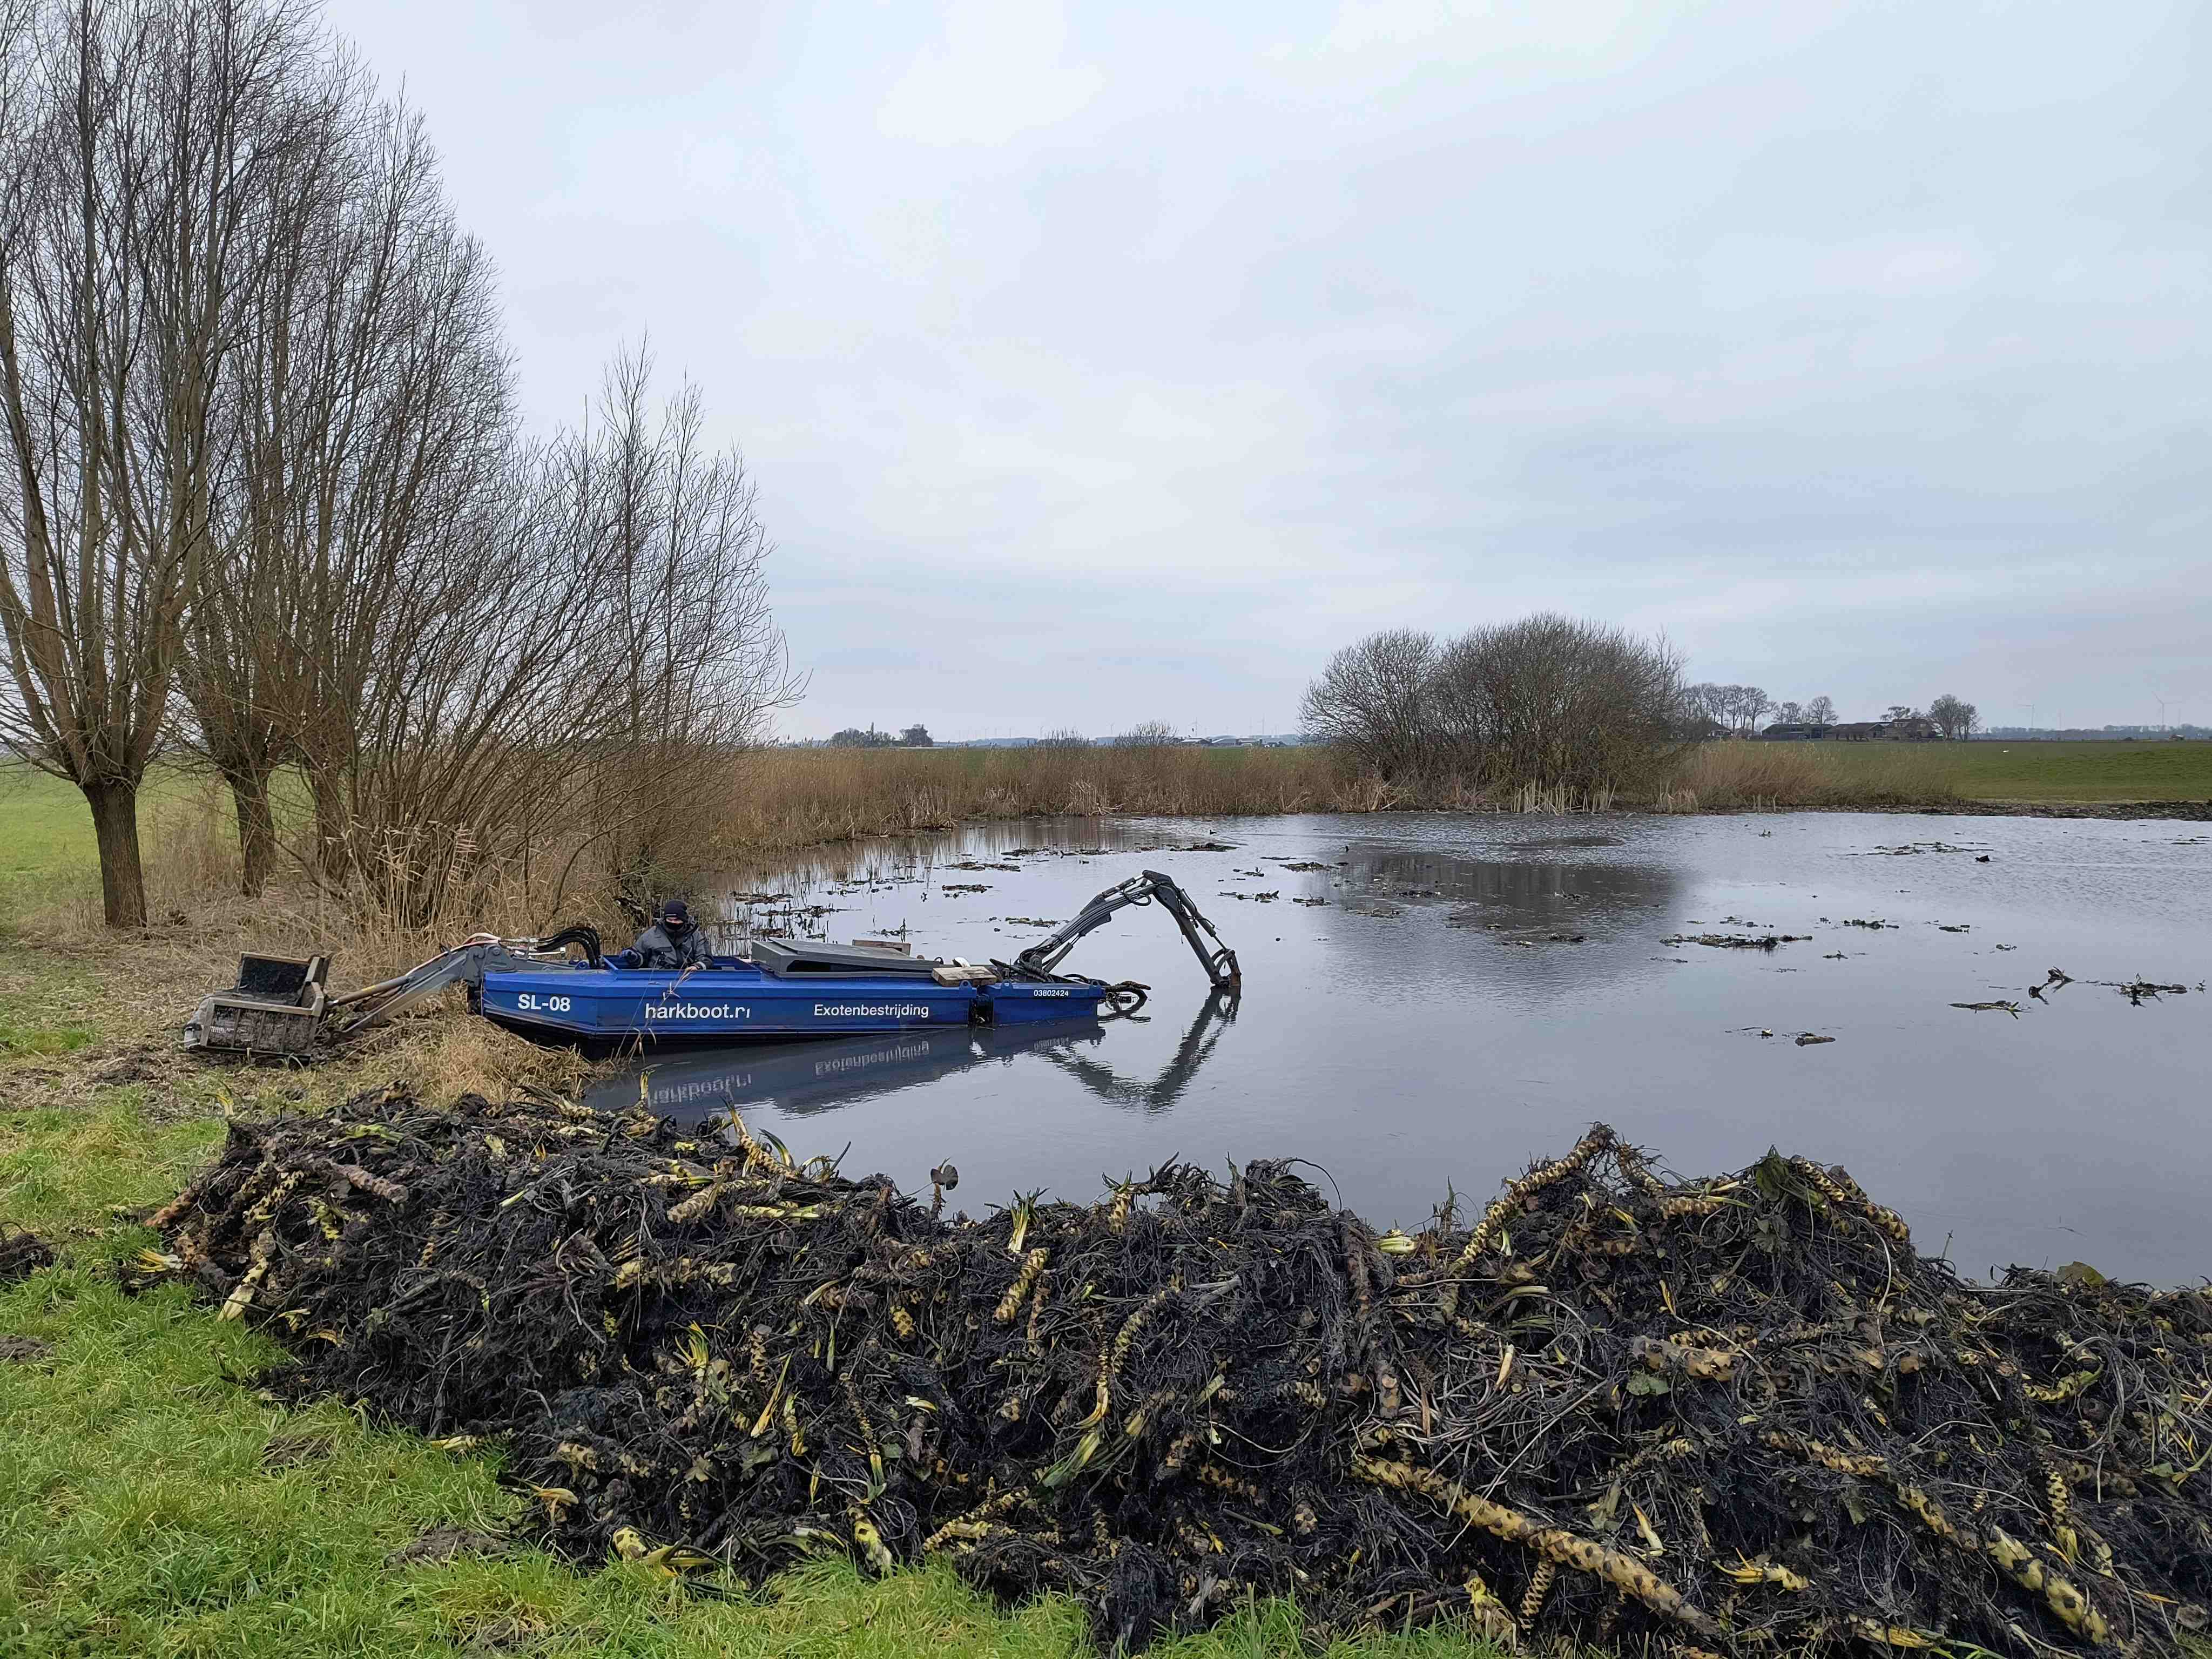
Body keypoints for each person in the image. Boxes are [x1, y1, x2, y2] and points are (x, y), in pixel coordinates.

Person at [609, 899, 716, 969]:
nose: (673, 923)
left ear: (685, 919)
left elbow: (706, 959)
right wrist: (633, 957)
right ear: (665, 919)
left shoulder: (696, 936)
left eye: (677, 920)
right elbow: (641, 960)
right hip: (657, 980)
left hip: (689, 978)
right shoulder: (651, 935)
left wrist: (697, 967)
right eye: (670, 919)